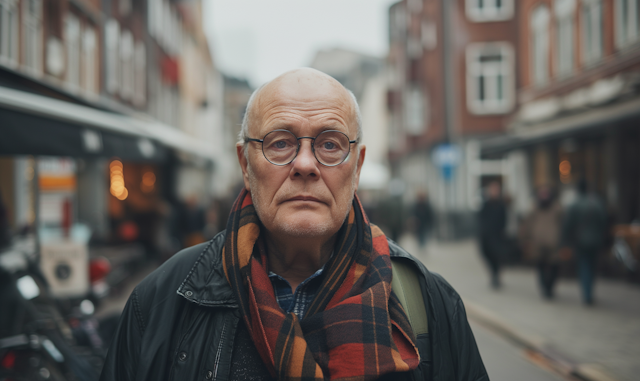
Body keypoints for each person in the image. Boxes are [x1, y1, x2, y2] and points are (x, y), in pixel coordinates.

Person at [100, 68, 487, 381]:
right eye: (280, 142)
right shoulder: (162, 301)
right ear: (245, 165)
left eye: (331, 144)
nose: (305, 164)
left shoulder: (431, 305)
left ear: (358, 167)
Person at [561, 179, 607, 305]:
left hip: (581, 240)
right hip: (596, 240)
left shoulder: (574, 205)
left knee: (584, 266)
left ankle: (587, 294)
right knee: (592, 266)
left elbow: (568, 225)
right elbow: (603, 222)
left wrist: (565, 241)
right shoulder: (597, 203)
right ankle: (590, 291)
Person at [526, 185, 563, 299]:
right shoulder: (535, 208)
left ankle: (550, 287)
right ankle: (544, 288)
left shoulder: (557, 208)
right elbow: (528, 224)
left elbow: (562, 223)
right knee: (540, 266)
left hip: (554, 244)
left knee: (554, 266)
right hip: (538, 244)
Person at [478, 181, 507, 289]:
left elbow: (504, 221)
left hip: (498, 236)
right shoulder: (485, 204)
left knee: (497, 257)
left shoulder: (501, 205)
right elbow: (481, 219)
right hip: (486, 236)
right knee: (487, 255)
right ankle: (493, 273)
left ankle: (496, 275)